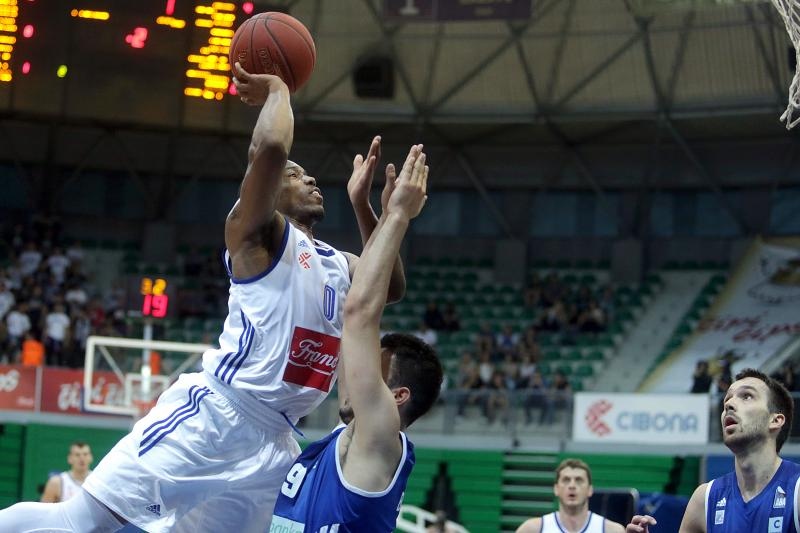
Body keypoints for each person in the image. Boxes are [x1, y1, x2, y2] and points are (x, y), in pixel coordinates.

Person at [0, 66, 413, 533]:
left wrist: (364, 205)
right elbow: (272, 149)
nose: (311, 179)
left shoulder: (338, 262)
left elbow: (390, 286)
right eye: (297, 176)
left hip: (277, 441)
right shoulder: (256, 235)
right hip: (217, 413)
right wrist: (279, 90)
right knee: (81, 523)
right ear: (270, 190)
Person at [270, 142, 443, 530]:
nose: (359, 362)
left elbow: (365, 311)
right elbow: (380, 292)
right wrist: (366, 208)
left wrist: (397, 214)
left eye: (376, 367)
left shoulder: (379, 435)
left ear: (397, 396)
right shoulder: (350, 433)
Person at [626, 368, 798, 533]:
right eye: (727, 399)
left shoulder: (796, 489)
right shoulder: (705, 499)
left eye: (746, 396)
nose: (729, 404)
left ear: (775, 420)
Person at [517, 458, 625, 533]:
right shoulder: (532, 529)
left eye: (579, 480)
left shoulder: (612, 530)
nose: (572, 485)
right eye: (566, 480)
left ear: (590, 489)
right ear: (556, 489)